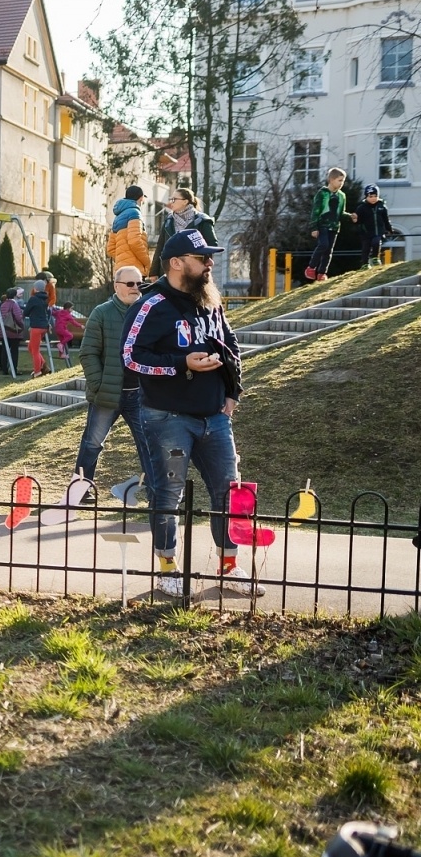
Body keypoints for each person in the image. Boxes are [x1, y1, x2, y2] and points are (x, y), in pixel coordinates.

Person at [122, 229, 252, 599]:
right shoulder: (150, 306)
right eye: (202, 258)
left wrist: (233, 391)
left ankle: (229, 567)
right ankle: (167, 569)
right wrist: (182, 364)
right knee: (167, 495)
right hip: (167, 419)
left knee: (229, 492)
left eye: (210, 256)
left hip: (215, 417)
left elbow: (231, 343)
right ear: (177, 263)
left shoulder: (210, 298)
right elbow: (131, 358)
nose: (210, 263)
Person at [74, 266, 154, 491]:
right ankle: (80, 490)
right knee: (92, 444)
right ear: (116, 286)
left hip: (139, 394)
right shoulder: (102, 312)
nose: (136, 288)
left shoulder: (147, 312)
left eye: (140, 284)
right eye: (130, 284)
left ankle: (155, 490)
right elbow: (87, 352)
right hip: (108, 393)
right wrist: (99, 385)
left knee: (148, 444)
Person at [306, 167, 355, 281]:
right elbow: (316, 211)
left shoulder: (342, 196)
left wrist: (350, 216)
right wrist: (314, 227)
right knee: (323, 244)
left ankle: (322, 273)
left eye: (343, 181)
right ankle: (311, 267)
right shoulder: (322, 193)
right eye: (340, 180)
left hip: (334, 226)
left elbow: (341, 213)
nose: (342, 183)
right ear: (332, 180)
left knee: (328, 251)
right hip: (322, 225)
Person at [107, 185, 153, 276]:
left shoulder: (118, 217)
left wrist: (123, 258)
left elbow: (110, 248)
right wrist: (147, 262)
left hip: (120, 271)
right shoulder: (135, 213)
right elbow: (135, 241)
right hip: (135, 271)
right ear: (141, 198)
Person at [355, 184, 391, 270]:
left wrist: (389, 228)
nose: (373, 198)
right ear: (366, 197)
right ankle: (365, 264)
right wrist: (355, 222)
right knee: (366, 248)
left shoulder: (382, 207)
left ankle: (375, 258)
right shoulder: (362, 208)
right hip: (366, 232)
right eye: (371, 196)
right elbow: (358, 220)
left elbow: (386, 219)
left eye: (375, 196)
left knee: (376, 242)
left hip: (378, 231)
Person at [24, 279, 52, 377]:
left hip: (36, 327)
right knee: (30, 347)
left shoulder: (33, 299)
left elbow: (26, 312)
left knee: (35, 350)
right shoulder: (46, 299)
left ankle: (37, 372)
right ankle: (44, 366)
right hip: (44, 326)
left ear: (35, 289)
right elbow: (48, 312)